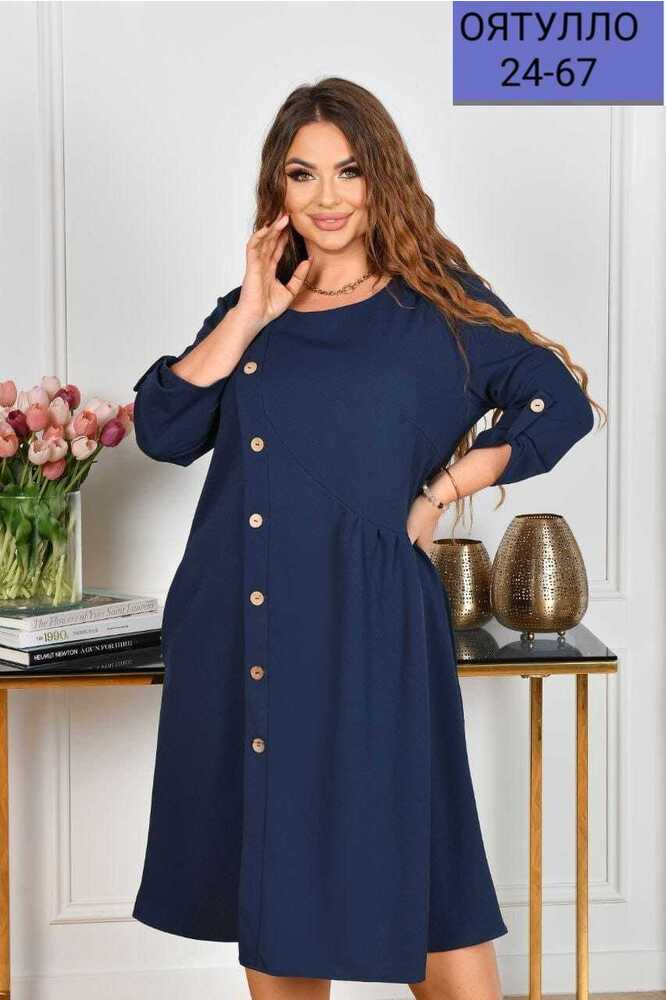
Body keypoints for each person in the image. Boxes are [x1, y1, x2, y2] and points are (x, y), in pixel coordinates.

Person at [130, 77, 604, 1000]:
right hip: (247, 618)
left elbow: (559, 404)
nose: (328, 197)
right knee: (275, 874)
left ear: (381, 177)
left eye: (348, 171)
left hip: (371, 623)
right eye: (303, 174)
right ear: (278, 190)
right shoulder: (253, 307)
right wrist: (250, 313)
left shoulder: (437, 307)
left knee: (427, 878)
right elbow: (164, 430)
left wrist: (439, 493)